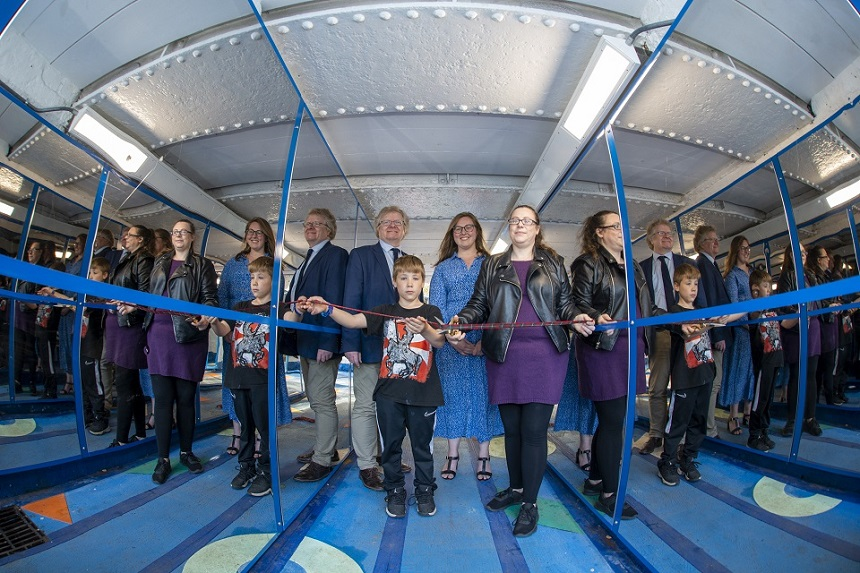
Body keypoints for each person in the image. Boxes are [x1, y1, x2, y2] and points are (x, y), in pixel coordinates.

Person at [454, 205, 593, 537]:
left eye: (526, 221)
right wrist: (462, 320)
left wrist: (577, 317)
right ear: (509, 228)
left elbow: (564, 304)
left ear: (536, 228)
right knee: (512, 430)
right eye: (514, 220)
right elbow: (479, 304)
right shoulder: (493, 264)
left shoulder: (553, 262)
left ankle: (529, 503)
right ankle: (516, 489)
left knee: (533, 431)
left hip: (544, 354)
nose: (519, 225)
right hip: (504, 353)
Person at [304, 255, 446, 519]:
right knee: (390, 447)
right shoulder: (386, 312)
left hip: (423, 396)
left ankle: (425, 489)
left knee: (421, 448)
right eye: (403, 278)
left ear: (422, 282)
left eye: (415, 278)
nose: (409, 283)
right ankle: (395, 491)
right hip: (388, 395)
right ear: (395, 282)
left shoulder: (430, 312)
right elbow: (352, 321)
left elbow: (438, 341)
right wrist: (326, 308)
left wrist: (425, 329)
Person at [572, 210, 655, 521]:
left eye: (623, 225)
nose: (621, 230)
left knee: (611, 419)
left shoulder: (632, 264)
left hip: (630, 345)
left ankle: (595, 480)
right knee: (613, 420)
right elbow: (576, 301)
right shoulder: (588, 263)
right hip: (603, 345)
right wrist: (593, 316)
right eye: (614, 226)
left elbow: (643, 305)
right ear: (599, 233)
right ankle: (610, 494)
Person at [341, 205, 413, 491]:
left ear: (405, 228)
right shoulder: (360, 256)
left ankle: (388, 457)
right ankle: (367, 464)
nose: (392, 226)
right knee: (366, 407)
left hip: (401, 350)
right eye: (386, 222)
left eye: (398, 222)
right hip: (369, 346)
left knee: (393, 408)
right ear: (377, 228)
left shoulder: (409, 261)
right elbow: (350, 300)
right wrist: (350, 342)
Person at [143, 219, 218, 484]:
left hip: (187, 337)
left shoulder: (202, 265)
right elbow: (147, 295)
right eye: (174, 232)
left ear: (192, 237)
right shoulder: (160, 262)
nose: (177, 236)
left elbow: (210, 298)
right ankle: (162, 459)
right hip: (158, 336)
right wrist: (133, 307)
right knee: (162, 401)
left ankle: (186, 452)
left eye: (183, 232)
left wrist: (205, 317)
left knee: (186, 400)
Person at [210, 256, 292, 497]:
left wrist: (295, 309)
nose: (254, 282)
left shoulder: (279, 308)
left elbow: (291, 320)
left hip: (262, 380)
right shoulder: (240, 308)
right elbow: (225, 330)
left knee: (265, 429)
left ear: (274, 281)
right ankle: (246, 467)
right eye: (252, 277)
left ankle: (266, 471)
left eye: (261, 277)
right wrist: (214, 322)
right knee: (245, 427)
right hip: (239, 377)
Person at [429, 212, 502, 480]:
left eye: (468, 227)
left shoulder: (493, 264)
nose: (463, 232)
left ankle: (484, 455)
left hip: (485, 343)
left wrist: (484, 343)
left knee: (485, 398)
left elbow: (499, 305)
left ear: (477, 231)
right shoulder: (443, 268)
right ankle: (452, 454)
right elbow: (435, 308)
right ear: (452, 234)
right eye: (457, 229)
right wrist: (451, 339)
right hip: (450, 346)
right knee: (452, 398)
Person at [217, 218, 291, 457]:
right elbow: (223, 298)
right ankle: (238, 433)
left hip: (265, 338)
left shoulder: (274, 264)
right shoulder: (233, 264)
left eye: (259, 232)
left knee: (263, 386)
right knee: (236, 384)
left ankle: (262, 435)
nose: (254, 235)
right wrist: (227, 331)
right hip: (235, 333)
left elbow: (279, 299)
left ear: (266, 235)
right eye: (250, 231)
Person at [289, 209, 349, 483]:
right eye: (307, 223)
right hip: (306, 341)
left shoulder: (335, 255)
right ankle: (327, 449)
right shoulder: (307, 258)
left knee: (322, 401)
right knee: (316, 400)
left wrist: (329, 341)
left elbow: (333, 299)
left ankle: (323, 460)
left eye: (317, 224)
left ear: (330, 229)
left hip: (321, 342)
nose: (310, 227)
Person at [637, 219, 702, 455]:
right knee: (658, 385)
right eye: (661, 233)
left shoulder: (685, 264)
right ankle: (656, 433)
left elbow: (699, 296)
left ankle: (679, 434)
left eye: (669, 233)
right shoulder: (641, 268)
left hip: (687, 331)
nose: (667, 236)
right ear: (651, 239)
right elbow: (641, 304)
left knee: (686, 384)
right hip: (662, 331)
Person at [657, 264, 716, 486]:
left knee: (698, 421)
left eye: (696, 284)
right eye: (688, 283)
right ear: (676, 286)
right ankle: (667, 461)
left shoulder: (701, 310)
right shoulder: (674, 313)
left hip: (705, 373)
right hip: (684, 378)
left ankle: (688, 458)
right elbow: (667, 324)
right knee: (677, 422)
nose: (693, 288)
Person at [40, 258, 111, 435]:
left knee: (93, 383)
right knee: (83, 382)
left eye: (95, 273)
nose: (91, 276)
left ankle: (100, 418)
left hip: (92, 344)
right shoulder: (86, 292)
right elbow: (72, 302)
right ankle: (88, 415)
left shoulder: (101, 295)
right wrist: (53, 293)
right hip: (80, 342)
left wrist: (59, 297)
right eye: (90, 273)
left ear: (105, 275)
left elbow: (82, 308)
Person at [105, 226, 154, 447]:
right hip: (120, 325)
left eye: (130, 235)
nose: (124, 237)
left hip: (130, 326)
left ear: (141, 240)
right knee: (131, 383)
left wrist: (130, 306)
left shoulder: (143, 259)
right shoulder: (128, 258)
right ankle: (140, 432)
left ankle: (122, 439)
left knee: (125, 382)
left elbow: (145, 293)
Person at [776, 244, 822, 436]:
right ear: (789, 255)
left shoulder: (811, 275)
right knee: (796, 374)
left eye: (804, 253)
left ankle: (810, 418)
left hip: (813, 328)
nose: (802, 255)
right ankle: (793, 420)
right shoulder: (787, 276)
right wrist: (797, 314)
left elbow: (819, 300)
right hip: (795, 329)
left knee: (811, 375)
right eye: (798, 252)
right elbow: (784, 306)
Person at [693, 225, 733, 439]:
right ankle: (709, 429)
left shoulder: (712, 265)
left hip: (718, 331)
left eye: (717, 239)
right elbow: (709, 304)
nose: (716, 242)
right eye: (710, 239)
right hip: (714, 334)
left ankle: (708, 427)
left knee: (714, 382)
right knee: (713, 383)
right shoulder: (704, 265)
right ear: (700, 244)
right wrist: (718, 335)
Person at [721, 236, 756, 435]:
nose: (746, 251)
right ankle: (733, 414)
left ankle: (748, 412)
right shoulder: (732, 276)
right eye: (743, 248)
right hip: (742, 331)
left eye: (748, 247)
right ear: (735, 251)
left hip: (755, 329)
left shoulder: (752, 273)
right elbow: (734, 305)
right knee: (739, 371)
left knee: (752, 372)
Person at [139, 228, 173, 429]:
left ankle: (163, 414)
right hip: (150, 321)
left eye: (156, 239)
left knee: (164, 372)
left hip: (162, 322)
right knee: (151, 371)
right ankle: (156, 412)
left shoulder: (165, 262)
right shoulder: (151, 261)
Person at [747, 269, 784, 451]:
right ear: (755, 289)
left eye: (769, 286)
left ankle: (764, 431)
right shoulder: (754, 310)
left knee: (768, 399)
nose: (768, 289)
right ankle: (754, 434)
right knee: (760, 399)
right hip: (763, 361)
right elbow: (754, 323)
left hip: (775, 357)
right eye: (765, 286)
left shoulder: (772, 308)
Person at [33, 240, 66, 399]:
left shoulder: (57, 292)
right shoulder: (48, 291)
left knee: (49, 361)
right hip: (41, 328)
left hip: (48, 330)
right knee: (44, 359)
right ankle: (47, 388)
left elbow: (59, 309)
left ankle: (51, 389)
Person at [14, 240, 46, 396]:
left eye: (34, 249)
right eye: (29, 250)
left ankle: (33, 382)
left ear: (41, 252)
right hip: (18, 316)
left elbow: (38, 297)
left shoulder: (41, 272)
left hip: (31, 317)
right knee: (18, 351)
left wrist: (26, 300)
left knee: (30, 351)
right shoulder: (22, 270)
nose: (30, 252)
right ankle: (17, 381)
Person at [57, 233, 88, 395]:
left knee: (75, 346)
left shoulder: (86, 263)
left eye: (79, 243)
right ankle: (68, 379)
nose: (76, 246)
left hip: (75, 309)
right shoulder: (69, 263)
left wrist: (69, 304)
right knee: (65, 346)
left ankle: (77, 382)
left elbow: (83, 287)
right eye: (74, 243)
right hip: (64, 309)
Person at [808, 246, 838, 406]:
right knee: (824, 365)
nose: (828, 259)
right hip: (823, 324)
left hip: (828, 322)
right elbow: (818, 301)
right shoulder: (815, 278)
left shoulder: (825, 276)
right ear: (819, 260)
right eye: (825, 257)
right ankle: (825, 398)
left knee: (828, 362)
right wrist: (830, 306)